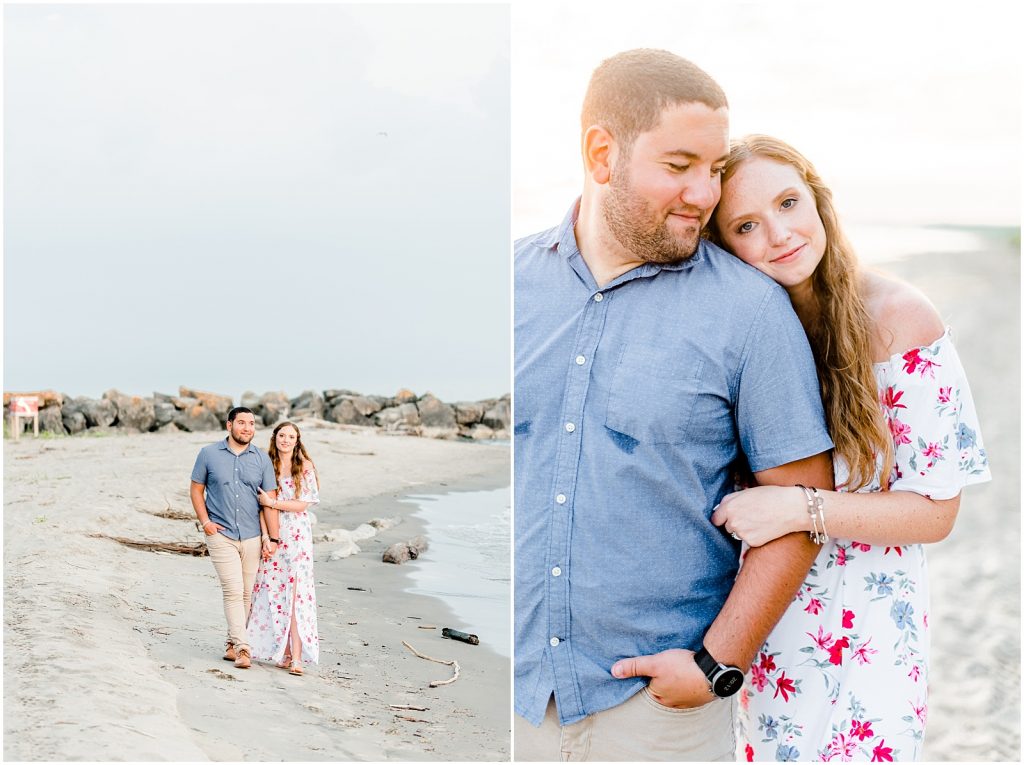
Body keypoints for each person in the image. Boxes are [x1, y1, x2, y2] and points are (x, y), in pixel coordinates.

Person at [513, 49, 835, 762]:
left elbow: (803, 506)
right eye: (680, 164)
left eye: (714, 168)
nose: (704, 193)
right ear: (602, 153)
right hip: (515, 700)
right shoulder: (509, 285)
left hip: (660, 714)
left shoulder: (750, 310)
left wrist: (716, 664)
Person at [707, 134, 991, 761]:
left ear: (819, 201)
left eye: (789, 203)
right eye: (747, 225)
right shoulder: (739, 336)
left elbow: (936, 512)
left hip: (869, 626)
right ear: (723, 246)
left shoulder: (900, 319)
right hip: (766, 619)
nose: (779, 234)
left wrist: (800, 508)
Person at [190, 407, 279, 670]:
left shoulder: (262, 459)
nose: (247, 428)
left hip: (252, 536)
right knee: (233, 590)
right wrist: (205, 522)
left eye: (251, 424)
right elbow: (196, 490)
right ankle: (243, 647)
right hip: (221, 535)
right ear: (229, 425)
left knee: (246, 594)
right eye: (242, 423)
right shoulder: (208, 454)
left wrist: (271, 538)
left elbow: (269, 503)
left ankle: (231, 644)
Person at [246, 421, 321, 675]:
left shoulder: (305, 466)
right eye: (282, 435)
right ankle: (283, 651)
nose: (286, 440)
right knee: (274, 593)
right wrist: (267, 537)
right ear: (275, 438)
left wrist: (274, 502)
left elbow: (303, 504)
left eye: (291, 436)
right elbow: (261, 506)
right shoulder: (267, 464)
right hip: (274, 534)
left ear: (297, 440)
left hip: (298, 538)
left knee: (296, 596)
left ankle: (297, 657)